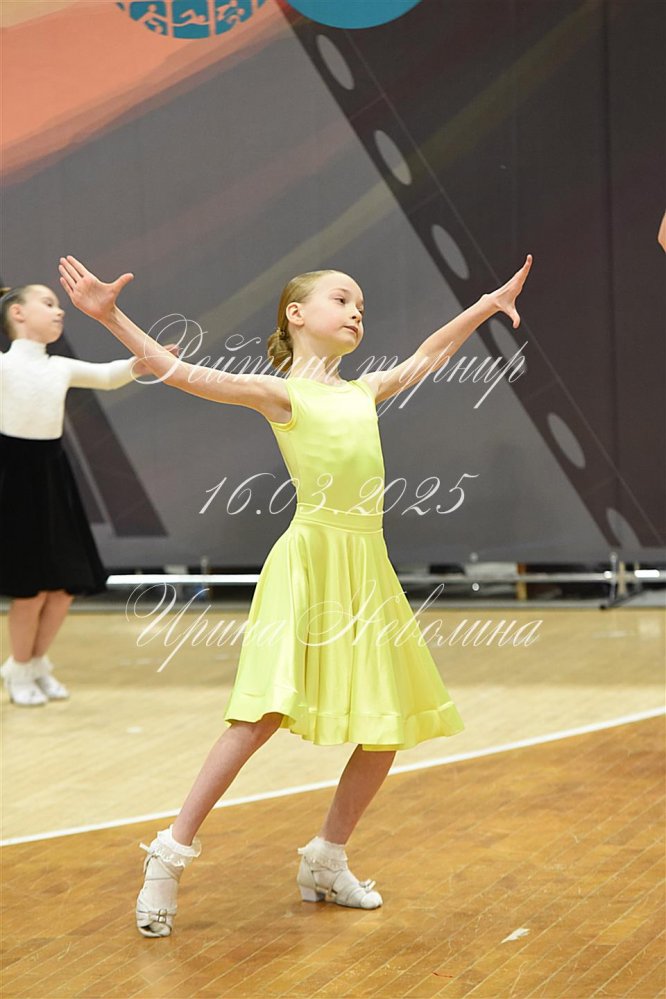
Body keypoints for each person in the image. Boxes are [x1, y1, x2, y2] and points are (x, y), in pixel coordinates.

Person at [58, 250, 533, 936]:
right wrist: (111, 317)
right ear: (297, 314)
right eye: (342, 299)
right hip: (309, 560)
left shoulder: (364, 390)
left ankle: (326, 858)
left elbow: (431, 351)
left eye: (362, 306)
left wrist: (485, 305)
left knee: (388, 724)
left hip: (366, 565)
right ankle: (169, 853)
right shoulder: (279, 393)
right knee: (261, 712)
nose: (356, 312)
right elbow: (180, 372)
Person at [0, 283, 177, 707]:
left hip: (53, 477)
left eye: (59, 305)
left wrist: (140, 364)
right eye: (48, 303)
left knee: (64, 587)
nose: (59, 311)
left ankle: (35, 664)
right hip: (15, 482)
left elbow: (108, 376)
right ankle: (19, 669)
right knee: (30, 591)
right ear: (18, 314)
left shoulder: (59, 367)